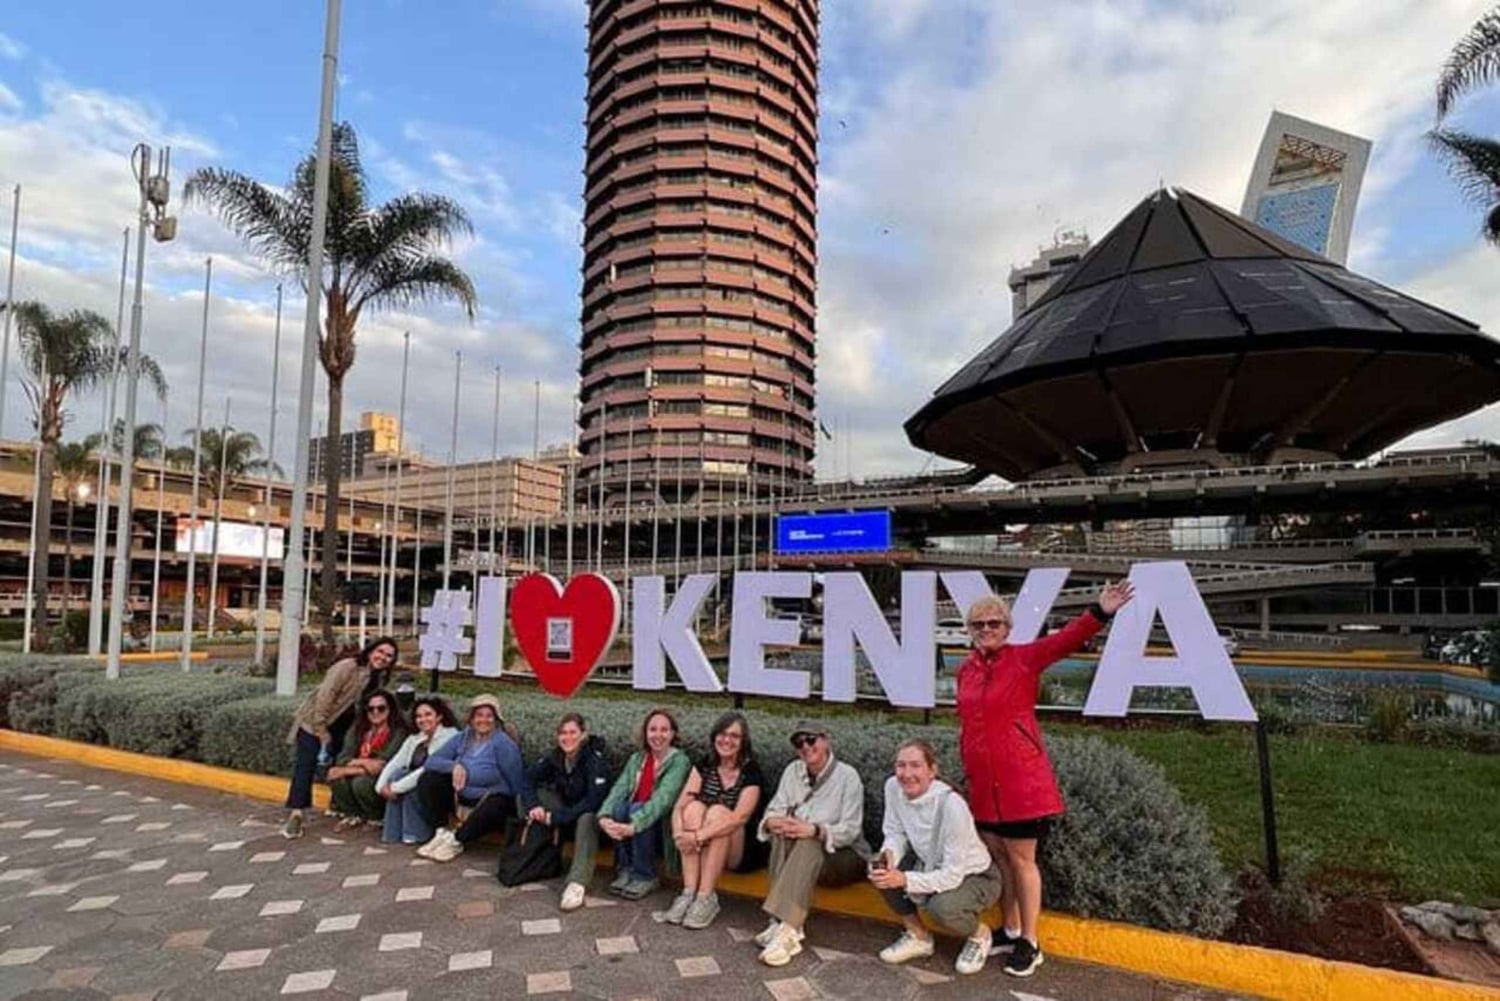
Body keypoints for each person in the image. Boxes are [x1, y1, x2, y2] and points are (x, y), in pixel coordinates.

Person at [957, 580, 1134, 977]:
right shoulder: (966, 671)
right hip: (984, 786)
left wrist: (1100, 611)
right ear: (970, 630)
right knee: (1001, 859)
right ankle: (1011, 928)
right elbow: (968, 723)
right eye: (978, 625)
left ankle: (1030, 942)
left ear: (1007, 627)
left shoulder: (1024, 659)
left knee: (1023, 863)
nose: (986, 630)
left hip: (1022, 784)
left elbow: (1068, 639)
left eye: (994, 623)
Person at [870, 739, 1002, 976]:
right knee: (879, 868)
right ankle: (918, 936)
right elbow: (895, 831)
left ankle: (980, 934)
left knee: (942, 907)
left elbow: (952, 875)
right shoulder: (893, 787)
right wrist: (889, 854)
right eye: (901, 765)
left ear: (932, 771)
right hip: (928, 864)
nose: (906, 774)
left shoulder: (952, 806)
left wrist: (905, 879)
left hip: (974, 876)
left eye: (915, 766)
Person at [753, 720, 867, 967]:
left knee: (808, 841)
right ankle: (783, 924)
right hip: (802, 853)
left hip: (844, 855)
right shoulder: (793, 771)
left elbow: (850, 830)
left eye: (811, 740)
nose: (805, 746)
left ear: (826, 740)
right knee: (784, 834)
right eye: (799, 742)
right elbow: (774, 808)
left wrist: (815, 829)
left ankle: (789, 928)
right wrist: (774, 822)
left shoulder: (848, 777)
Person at [282, 636, 399, 839]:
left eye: (389, 656)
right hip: (315, 723)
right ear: (371, 650)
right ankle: (296, 814)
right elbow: (325, 696)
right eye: (380, 652)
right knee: (306, 765)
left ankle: (341, 806)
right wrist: (321, 731)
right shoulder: (347, 666)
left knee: (337, 764)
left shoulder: (378, 677)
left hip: (343, 727)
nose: (383, 658)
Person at [658, 711, 766, 930]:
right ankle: (689, 893)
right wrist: (680, 835)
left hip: (739, 849)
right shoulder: (706, 764)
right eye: (722, 734)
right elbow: (679, 806)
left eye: (734, 736)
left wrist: (696, 837)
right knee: (692, 809)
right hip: (702, 840)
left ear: (743, 741)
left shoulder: (750, 770)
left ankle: (707, 897)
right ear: (714, 736)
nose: (727, 740)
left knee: (719, 813)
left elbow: (740, 817)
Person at [415, 694, 536, 862]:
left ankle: (456, 841)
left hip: (491, 803)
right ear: (471, 719)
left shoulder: (503, 744)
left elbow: (516, 782)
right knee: (429, 778)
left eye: (489, 716)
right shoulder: (463, 738)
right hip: (461, 799)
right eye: (479, 715)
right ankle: (441, 831)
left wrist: (527, 809)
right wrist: (455, 766)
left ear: (496, 719)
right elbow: (431, 761)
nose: (483, 720)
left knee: (497, 802)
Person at [598, 708, 691, 900]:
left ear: (673, 734)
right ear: (645, 733)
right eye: (653, 729)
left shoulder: (679, 761)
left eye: (664, 730)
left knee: (637, 808)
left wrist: (634, 825)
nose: (658, 735)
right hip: (631, 823)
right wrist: (604, 816)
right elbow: (619, 789)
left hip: (659, 827)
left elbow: (663, 800)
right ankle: (626, 869)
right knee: (619, 808)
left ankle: (645, 875)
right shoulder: (637, 759)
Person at [526, 712, 611, 911]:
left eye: (573, 732)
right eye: (563, 733)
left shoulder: (594, 761)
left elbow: (593, 801)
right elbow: (527, 779)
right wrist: (533, 806)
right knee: (535, 795)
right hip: (564, 815)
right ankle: (536, 857)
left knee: (587, 818)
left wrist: (556, 817)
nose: (567, 737)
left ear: (583, 735)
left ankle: (577, 883)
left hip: (593, 826)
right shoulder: (556, 756)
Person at [375, 695, 460, 845]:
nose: (423, 719)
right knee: (398, 773)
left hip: (440, 787)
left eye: (428, 715)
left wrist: (395, 788)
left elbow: (426, 768)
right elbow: (396, 761)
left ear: (439, 717)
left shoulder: (450, 735)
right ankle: (393, 833)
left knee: (414, 781)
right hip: (413, 782)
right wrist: (381, 787)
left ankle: (416, 833)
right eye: (418, 716)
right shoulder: (415, 738)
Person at [326, 689, 410, 829]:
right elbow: (343, 758)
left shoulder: (398, 732)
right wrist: (363, 763)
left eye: (381, 708)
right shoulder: (358, 729)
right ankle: (352, 815)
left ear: (390, 710)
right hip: (361, 771)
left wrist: (349, 768)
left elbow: (381, 765)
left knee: (360, 782)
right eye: (370, 709)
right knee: (336, 777)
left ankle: (375, 817)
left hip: (385, 777)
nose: (375, 712)